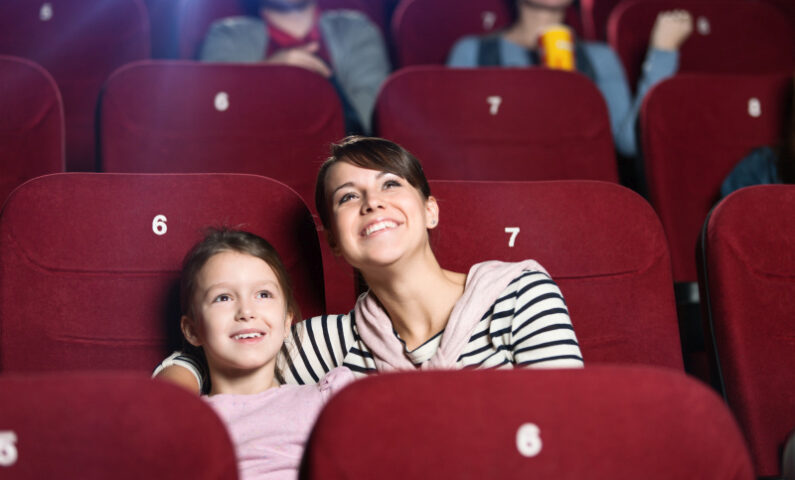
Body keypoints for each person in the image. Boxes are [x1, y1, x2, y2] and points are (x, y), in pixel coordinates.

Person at [155, 136, 583, 391]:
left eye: (390, 184)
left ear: (431, 210)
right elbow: (219, 353)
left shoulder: (518, 292)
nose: (372, 202)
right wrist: (180, 386)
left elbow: (570, 425)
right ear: (336, 244)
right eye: (347, 197)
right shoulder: (327, 344)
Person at [159, 228, 353, 479]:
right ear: (192, 330)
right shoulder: (184, 422)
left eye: (263, 294)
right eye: (223, 297)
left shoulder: (328, 399)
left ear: (287, 322)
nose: (246, 311)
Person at [447, 0, 693, 160]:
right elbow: (456, 144)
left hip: (579, 191)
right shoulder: (473, 52)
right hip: (499, 189)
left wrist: (662, 52)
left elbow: (628, 141)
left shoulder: (599, 58)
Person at [199, 0, 390, 134]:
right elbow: (215, 115)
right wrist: (265, 75)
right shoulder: (226, 35)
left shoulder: (356, 28)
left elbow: (372, 126)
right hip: (255, 163)